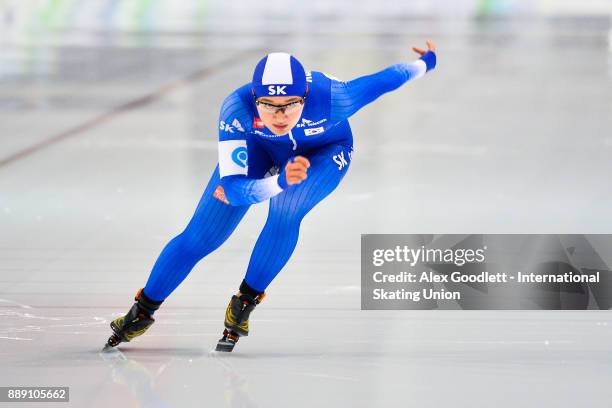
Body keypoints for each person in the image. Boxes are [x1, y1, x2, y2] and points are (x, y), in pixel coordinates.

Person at [104, 40, 438, 352]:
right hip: (259, 150)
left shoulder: (335, 97)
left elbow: (386, 79)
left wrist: (426, 61)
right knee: (201, 236)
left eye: (290, 105)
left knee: (286, 210)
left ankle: (244, 301)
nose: (280, 116)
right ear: (255, 97)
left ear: (305, 97)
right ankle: (142, 311)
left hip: (324, 151)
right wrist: (277, 181)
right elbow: (234, 191)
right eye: (268, 106)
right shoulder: (236, 109)